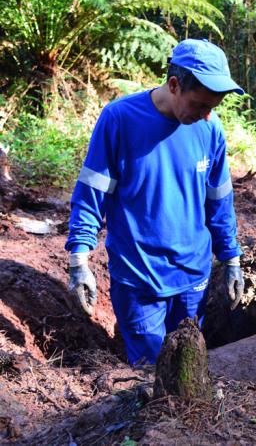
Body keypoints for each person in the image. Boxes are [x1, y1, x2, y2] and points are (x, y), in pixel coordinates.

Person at [65, 39, 246, 364]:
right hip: (138, 278)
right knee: (148, 374)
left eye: (213, 108)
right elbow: (92, 193)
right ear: (174, 85)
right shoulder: (120, 119)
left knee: (186, 365)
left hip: (194, 276)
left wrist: (231, 259)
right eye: (201, 105)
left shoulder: (210, 128)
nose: (207, 116)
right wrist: (79, 261)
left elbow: (220, 200)